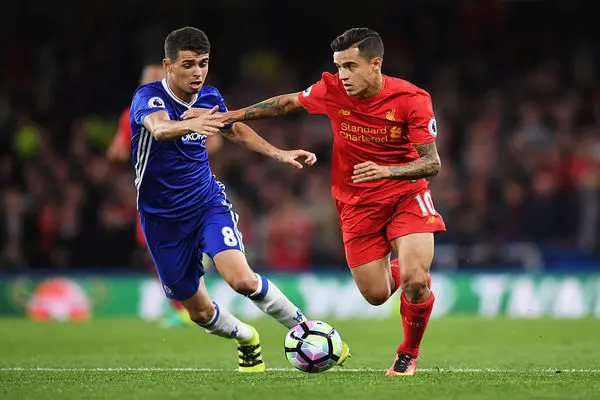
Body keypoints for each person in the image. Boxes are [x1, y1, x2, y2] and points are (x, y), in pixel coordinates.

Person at [192, 27, 446, 376]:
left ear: (375, 64)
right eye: (339, 66)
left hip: (406, 194)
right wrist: (232, 115)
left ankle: (407, 353)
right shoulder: (333, 90)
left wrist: (386, 171)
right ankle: (407, 268)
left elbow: (432, 163)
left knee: (416, 280)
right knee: (375, 294)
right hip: (356, 204)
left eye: (350, 66)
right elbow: (287, 103)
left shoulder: (411, 99)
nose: (343, 75)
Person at [130, 26, 350, 372]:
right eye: (188, 64)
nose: (198, 72)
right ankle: (247, 337)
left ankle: (311, 332)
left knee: (242, 279)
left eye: (203, 63)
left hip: (206, 205)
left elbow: (235, 130)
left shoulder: (209, 97)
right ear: (168, 65)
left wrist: (279, 153)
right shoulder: (149, 96)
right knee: (199, 312)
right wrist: (192, 124)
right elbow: (159, 129)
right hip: (162, 220)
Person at [108, 63, 222, 328]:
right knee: (157, 248)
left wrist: (183, 157)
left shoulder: (185, 108)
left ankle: (190, 302)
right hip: (157, 195)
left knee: (178, 244)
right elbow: (116, 151)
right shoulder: (136, 113)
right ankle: (184, 305)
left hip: (186, 191)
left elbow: (215, 141)